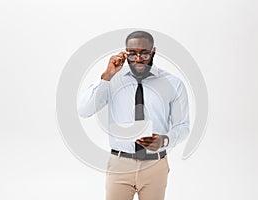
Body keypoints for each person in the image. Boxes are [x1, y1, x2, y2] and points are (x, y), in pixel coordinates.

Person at [78, 31, 190, 200]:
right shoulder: (113, 80)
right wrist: (106, 76)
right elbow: (84, 110)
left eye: (144, 53)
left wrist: (164, 140)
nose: (138, 59)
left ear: (153, 52)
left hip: (155, 164)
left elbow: (183, 126)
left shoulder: (173, 84)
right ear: (126, 52)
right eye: (132, 54)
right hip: (120, 164)